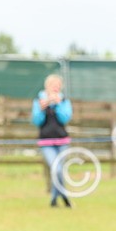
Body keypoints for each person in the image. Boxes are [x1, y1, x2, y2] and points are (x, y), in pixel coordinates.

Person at [31, 74, 73, 208]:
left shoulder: (64, 101)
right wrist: (42, 109)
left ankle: (55, 199)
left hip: (62, 141)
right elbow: (36, 121)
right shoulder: (38, 100)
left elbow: (65, 119)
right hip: (46, 142)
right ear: (47, 86)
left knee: (59, 170)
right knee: (56, 169)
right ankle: (63, 196)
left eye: (58, 85)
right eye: (53, 85)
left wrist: (59, 104)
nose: (56, 88)